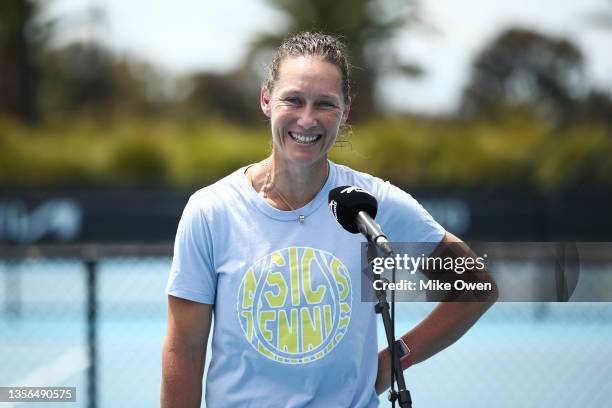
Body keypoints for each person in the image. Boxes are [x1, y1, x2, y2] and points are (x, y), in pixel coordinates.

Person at [161, 31, 497, 408]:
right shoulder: (211, 211)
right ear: (266, 100)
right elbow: (185, 350)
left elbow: (475, 284)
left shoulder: (374, 204)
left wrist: (392, 362)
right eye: (293, 100)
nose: (307, 119)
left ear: (345, 111)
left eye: (324, 104)